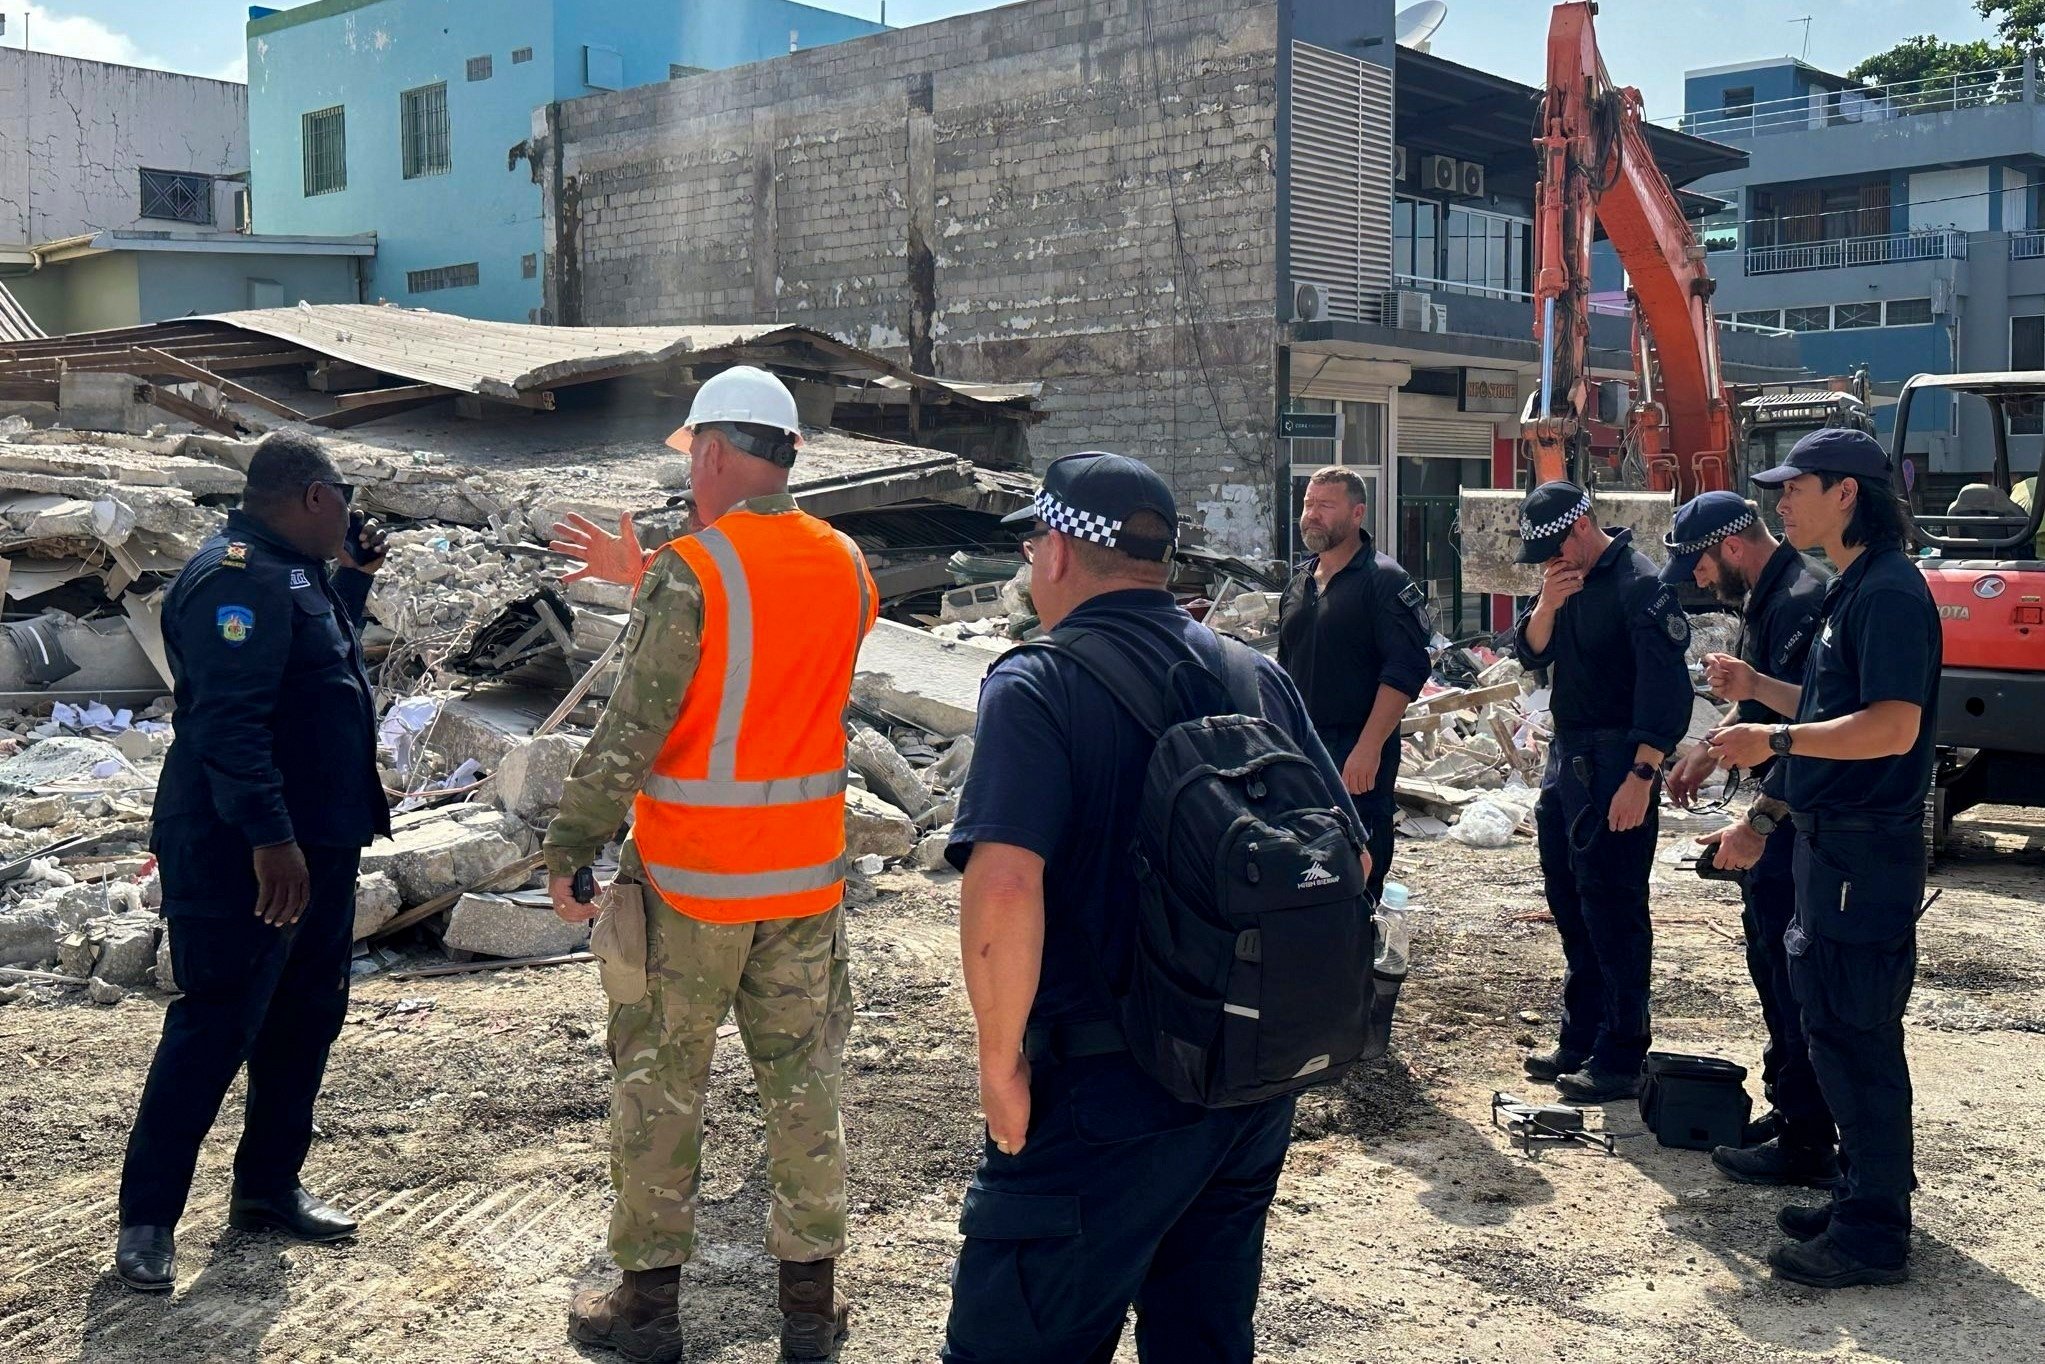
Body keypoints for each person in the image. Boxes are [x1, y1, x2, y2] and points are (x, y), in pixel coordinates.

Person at [941, 452, 1357, 1362]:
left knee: (1016, 1341)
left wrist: (999, 1063)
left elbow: (1005, 885)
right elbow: (1352, 853)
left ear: (1054, 552)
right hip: (1245, 1076)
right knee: (1202, 1340)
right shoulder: (1255, 677)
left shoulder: (1036, 682)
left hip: (1101, 1089)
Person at [542, 365, 877, 1364]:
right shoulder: (847, 563)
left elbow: (633, 725)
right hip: (805, 881)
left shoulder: (692, 568)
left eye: (694, 458)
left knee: (659, 1082)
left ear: (720, 453)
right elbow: (767, 654)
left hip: (692, 884)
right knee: (803, 1086)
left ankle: (646, 1310)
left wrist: (570, 842)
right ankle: (809, 1312)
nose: (691, 475)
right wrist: (652, 568)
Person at [116, 432, 391, 1293]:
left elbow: (313, 665)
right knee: (216, 1023)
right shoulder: (236, 576)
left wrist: (355, 577)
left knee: (305, 1016)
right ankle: (148, 1224)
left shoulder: (296, 571)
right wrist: (273, 841)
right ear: (313, 496)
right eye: (343, 497)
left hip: (316, 845)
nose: (349, 511)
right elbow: (228, 725)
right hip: (241, 850)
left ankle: (267, 1189)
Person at [1706, 427, 1941, 1289]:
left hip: (1862, 859)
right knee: (1832, 1028)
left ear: (1845, 492)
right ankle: (1857, 1196)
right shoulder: (1853, 589)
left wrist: (1773, 735)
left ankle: (1874, 1234)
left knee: (1855, 1037)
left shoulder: (1885, 593)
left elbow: (1892, 725)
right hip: (1829, 852)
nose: (1779, 503)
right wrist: (1761, 695)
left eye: (1793, 487)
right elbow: (1830, 699)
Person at [1660, 493, 1837, 1184]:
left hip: (1794, 825)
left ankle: (1806, 1140)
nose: (1699, 581)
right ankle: (1793, 1110)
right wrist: (1709, 747)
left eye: (1701, 566)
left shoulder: (1798, 600)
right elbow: (1764, 705)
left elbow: (1813, 736)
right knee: (1771, 972)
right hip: (1781, 821)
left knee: (1793, 982)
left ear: (1731, 548)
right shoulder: (1770, 597)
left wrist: (1760, 820)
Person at [1512, 481, 1691, 1104]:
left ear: (1583, 524)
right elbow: (1531, 655)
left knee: (1614, 911)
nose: (1552, 564)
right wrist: (1546, 605)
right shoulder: (1565, 585)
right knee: (1570, 902)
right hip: (1570, 759)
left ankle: (1621, 1050)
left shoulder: (1640, 585)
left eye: (1557, 547)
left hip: (1619, 759)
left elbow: (1666, 692)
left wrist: (1642, 777)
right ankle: (1581, 1033)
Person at [1277, 465, 1432, 901]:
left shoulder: (1384, 581)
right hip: (1302, 747)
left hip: (1356, 750)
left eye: (1326, 506)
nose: (1311, 515)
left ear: (1357, 513)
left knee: (1357, 867)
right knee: (1301, 865)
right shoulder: (1300, 582)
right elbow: (1285, 672)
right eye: (1308, 504)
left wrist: (1368, 748)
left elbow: (1404, 671)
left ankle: (1362, 959)